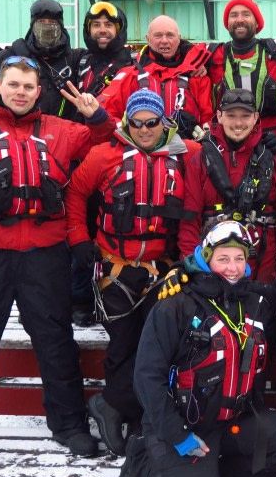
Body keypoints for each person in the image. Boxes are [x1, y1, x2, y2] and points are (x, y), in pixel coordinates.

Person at [0, 57, 114, 476]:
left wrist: (96, 114)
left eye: (29, 86)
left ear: (38, 92)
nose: (21, 92)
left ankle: (68, 425)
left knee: (56, 343)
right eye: (13, 84)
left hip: (44, 257)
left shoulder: (61, 131)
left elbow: (109, 144)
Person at [118, 221, 276, 477]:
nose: (232, 268)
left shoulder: (257, 302)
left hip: (231, 421)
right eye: (223, 259)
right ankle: (142, 461)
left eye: (239, 259)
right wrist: (177, 436)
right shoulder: (174, 304)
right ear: (206, 258)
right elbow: (147, 378)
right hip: (181, 427)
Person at [64, 89, 200, 457]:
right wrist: (78, 237)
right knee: (122, 346)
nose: (143, 130)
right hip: (117, 268)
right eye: (136, 122)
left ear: (163, 123)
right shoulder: (104, 155)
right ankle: (117, 408)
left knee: (155, 348)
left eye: (151, 122)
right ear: (127, 122)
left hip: (163, 270)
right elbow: (75, 193)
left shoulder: (187, 155)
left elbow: (222, 159)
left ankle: (129, 411)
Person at [179, 89, 276, 283]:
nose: (238, 123)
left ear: (255, 118)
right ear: (219, 116)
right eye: (231, 115)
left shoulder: (275, 161)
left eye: (245, 116)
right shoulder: (200, 161)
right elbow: (189, 223)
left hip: (263, 272)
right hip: (213, 272)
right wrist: (193, 267)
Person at [70, 0, 138, 327]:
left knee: (111, 227)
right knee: (79, 230)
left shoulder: (133, 64)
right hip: (81, 155)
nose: (102, 30)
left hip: (117, 154)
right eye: (96, 25)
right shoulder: (78, 61)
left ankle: (112, 296)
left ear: (119, 30)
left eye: (108, 25)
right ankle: (82, 299)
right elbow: (42, 58)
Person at [207, 0, 276, 156]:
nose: (239, 19)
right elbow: (179, 51)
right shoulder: (213, 54)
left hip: (271, 138)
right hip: (228, 138)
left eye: (246, 14)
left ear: (257, 23)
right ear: (227, 24)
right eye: (234, 15)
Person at [100, 15, 213, 140]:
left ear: (179, 39)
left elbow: (208, 120)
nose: (164, 40)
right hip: (140, 152)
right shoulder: (130, 76)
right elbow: (105, 113)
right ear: (148, 39)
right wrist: (127, 131)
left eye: (170, 35)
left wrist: (205, 137)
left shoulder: (197, 76)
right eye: (158, 35)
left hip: (185, 152)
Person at [0, 0, 82, 118]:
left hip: (64, 132)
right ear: (33, 26)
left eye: (52, 23)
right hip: (20, 131)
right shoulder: (6, 57)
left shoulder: (76, 59)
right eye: (41, 22)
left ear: (61, 26)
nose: (46, 27)